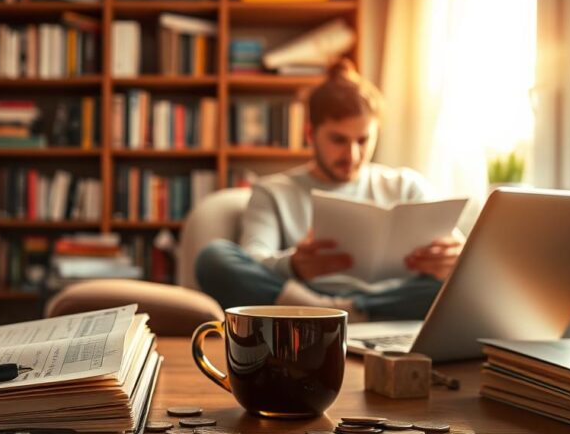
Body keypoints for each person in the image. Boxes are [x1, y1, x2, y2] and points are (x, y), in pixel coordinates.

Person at [196, 60, 464, 320]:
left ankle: (339, 313)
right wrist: (294, 265)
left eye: (363, 140)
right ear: (310, 134)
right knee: (213, 258)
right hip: (303, 294)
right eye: (339, 140)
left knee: (459, 283)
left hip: (393, 298)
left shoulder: (406, 185)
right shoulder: (273, 191)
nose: (353, 154)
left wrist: (454, 258)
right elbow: (253, 259)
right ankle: (330, 311)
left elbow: (460, 254)